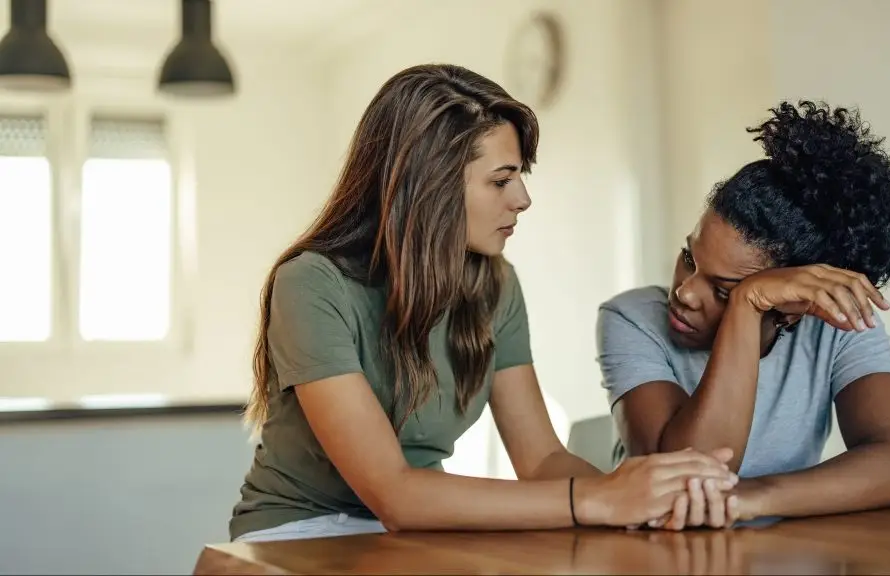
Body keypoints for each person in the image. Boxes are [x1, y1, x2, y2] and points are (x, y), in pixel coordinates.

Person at [228, 63, 737, 543]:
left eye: (519, 177)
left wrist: (644, 494)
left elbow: (540, 461)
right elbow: (395, 493)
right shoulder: (312, 284)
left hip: (414, 534)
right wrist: (599, 499)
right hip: (297, 533)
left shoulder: (495, 285)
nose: (522, 199)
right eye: (501, 180)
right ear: (430, 186)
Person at [596, 101, 890, 531]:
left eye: (722, 290)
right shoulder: (631, 319)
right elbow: (681, 479)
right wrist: (746, 303)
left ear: (794, 307)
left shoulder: (835, 326)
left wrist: (746, 498)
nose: (684, 291)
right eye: (688, 257)